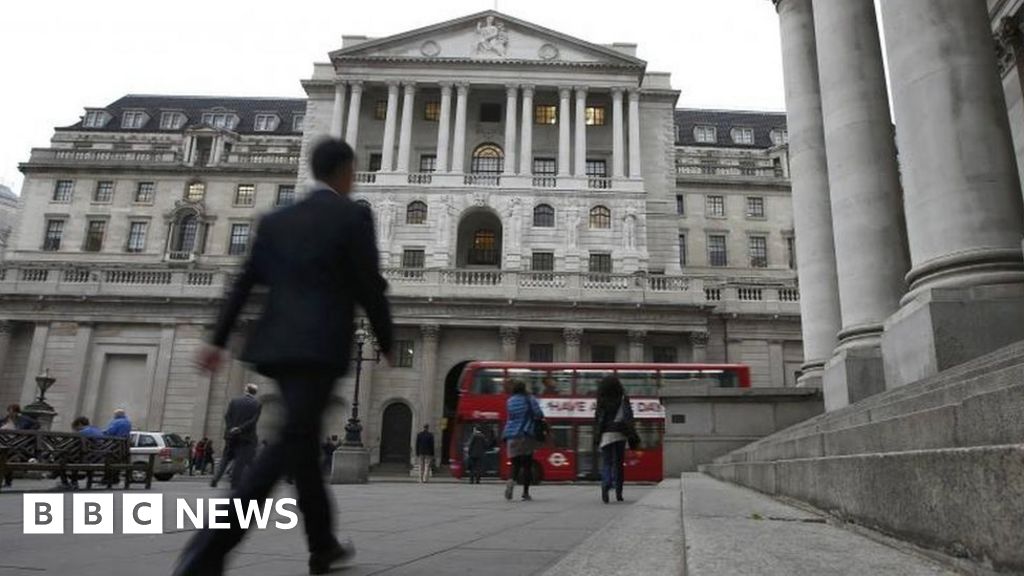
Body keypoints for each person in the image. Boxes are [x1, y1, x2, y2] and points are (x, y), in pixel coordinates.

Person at [175, 138, 394, 576]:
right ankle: (207, 551)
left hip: (278, 345)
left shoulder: (277, 219)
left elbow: (243, 282)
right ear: (346, 172)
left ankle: (323, 545)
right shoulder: (353, 215)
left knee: (302, 446)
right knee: (284, 449)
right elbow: (369, 283)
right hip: (321, 346)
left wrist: (217, 339)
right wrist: (386, 338)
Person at [211, 383, 262, 489]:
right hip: (246, 437)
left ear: (246, 390)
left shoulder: (235, 401)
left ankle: (215, 479)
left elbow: (227, 416)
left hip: (231, 436)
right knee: (240, 461)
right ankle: (234, 484)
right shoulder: (257, 404)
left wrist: (231, 428)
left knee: (225, 459)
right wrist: (240, 429)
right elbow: (253, 421)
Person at [595, 376, 634, 504]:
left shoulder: (601, 400)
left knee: (607, 462)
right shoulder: (623, 398)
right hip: (620, 433)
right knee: (619, 464)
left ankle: (606, 484)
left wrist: (597, 435)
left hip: (606, 434)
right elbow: (630, 416)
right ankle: (619, 492)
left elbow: (597, 419)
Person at [502, 379, 543, 501]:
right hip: (525, 434)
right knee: (527, 465)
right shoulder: (529, 399)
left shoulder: (510, 401)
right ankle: (525, 493)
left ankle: (510, 483)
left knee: (515, 464)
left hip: (511, 435)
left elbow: (510, 417)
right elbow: (538, 414)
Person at [1, 404, 41, 487]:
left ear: (17, 412)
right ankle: (8, 480)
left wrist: (27, 432)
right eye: (9, 411)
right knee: (5, 460)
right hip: (3, 442)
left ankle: (8, 481)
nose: (11, 413)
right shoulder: (4, 420)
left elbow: (37, 424)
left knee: (7, 459)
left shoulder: (23, 419)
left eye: (13, 411)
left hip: (17, 444)